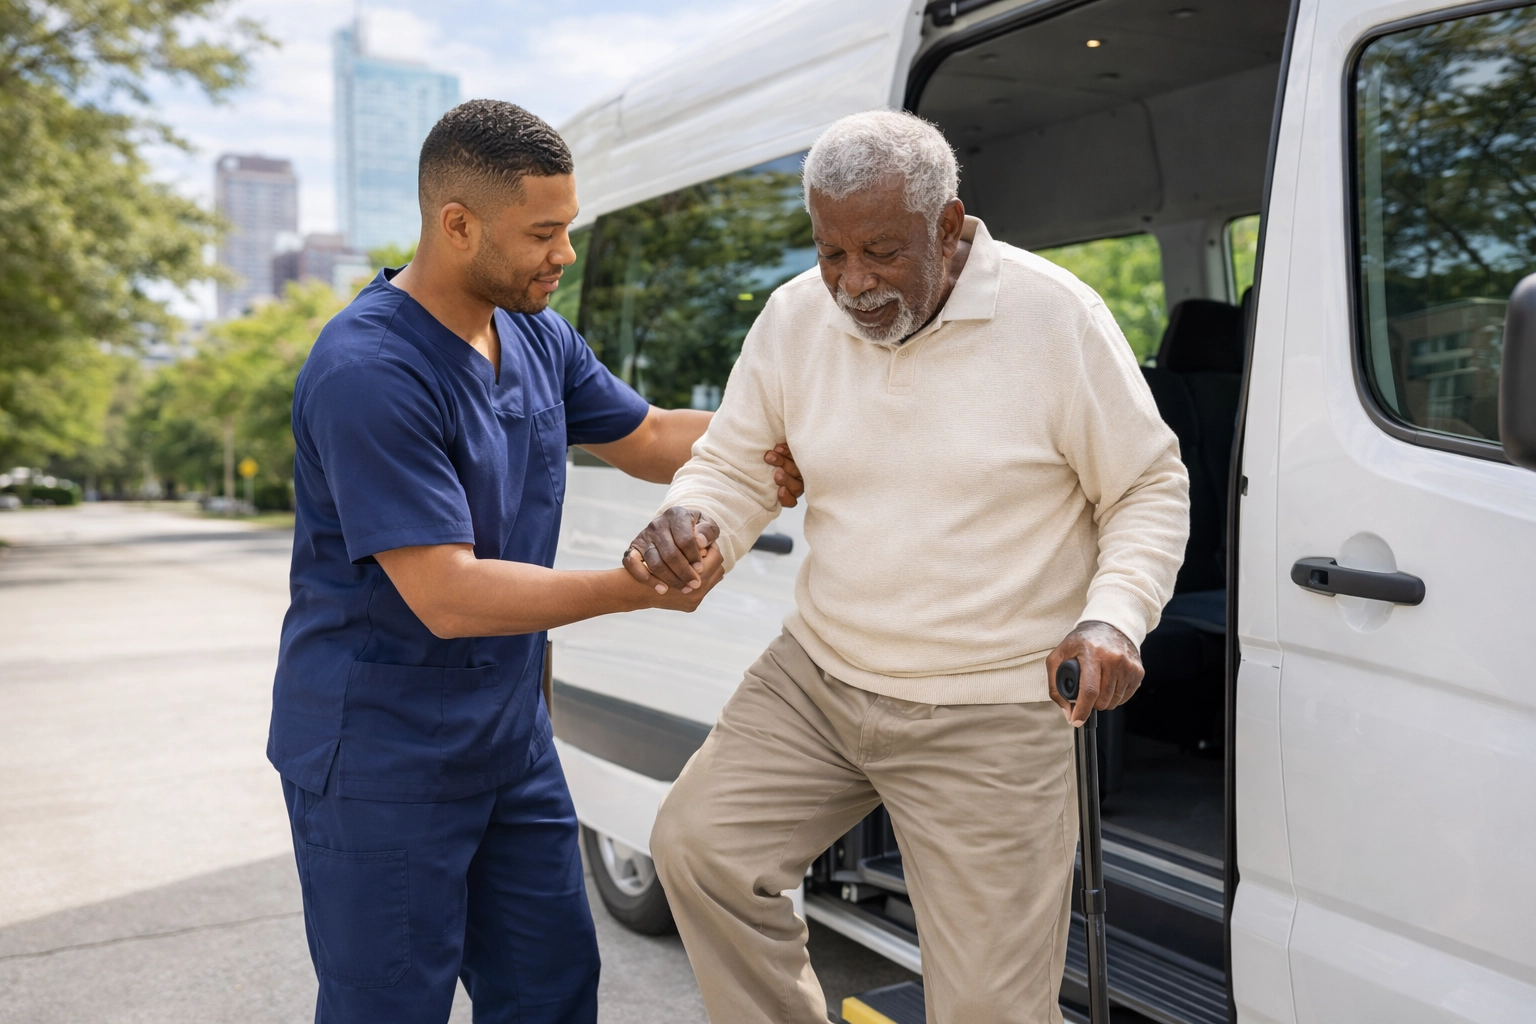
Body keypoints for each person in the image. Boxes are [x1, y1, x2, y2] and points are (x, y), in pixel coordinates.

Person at [627, 110, 1191, 1024]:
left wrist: (1113, 616)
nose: (851, 284)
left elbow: (1147, 487)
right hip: (818, 676)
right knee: (698, 851)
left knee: (989, 1011)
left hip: (992, 706)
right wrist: (694, 524)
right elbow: (735, 464)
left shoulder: (1056, 319)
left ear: (949, 223)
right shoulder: (793, 318)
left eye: (881, 252)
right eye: (830, 252)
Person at [266, 99, 804, 1024]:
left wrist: (802, 432)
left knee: (551, 993)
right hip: (381, 756)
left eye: (570, 229)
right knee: (389, 1008)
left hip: (509, 740)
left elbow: (645, 438)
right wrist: (632, 590)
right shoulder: (367, 372)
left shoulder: (536, 333)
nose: (565, 255)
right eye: (544, 233)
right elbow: (447, 593)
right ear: (458, 223)